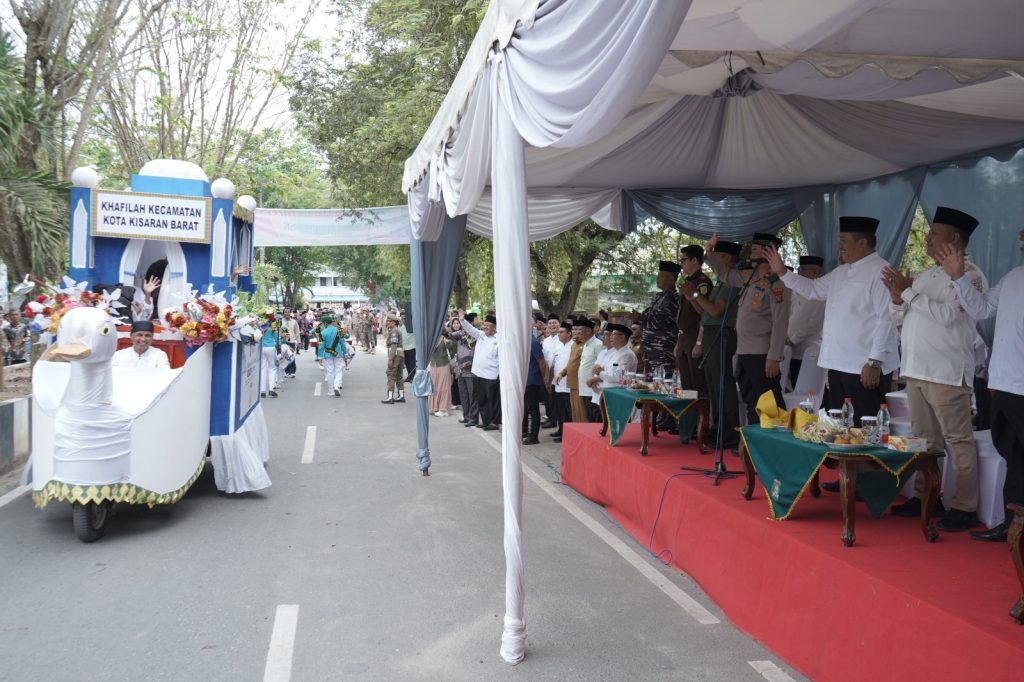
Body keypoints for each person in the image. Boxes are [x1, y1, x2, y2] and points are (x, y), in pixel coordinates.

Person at [883, 207, 986, 531]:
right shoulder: (927, 275)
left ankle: (965, 506)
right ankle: (925, 496)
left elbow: (948, 317)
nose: (928, 237)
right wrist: (898, 298)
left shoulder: (970, 276)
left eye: (935, 232)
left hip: (946, 373)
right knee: (923, 440)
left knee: (958, 441)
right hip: (916, 370)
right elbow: (903, 319)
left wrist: (909, 292)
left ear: (955, 238)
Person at [765, 216, 899, 421]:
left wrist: (875, 362)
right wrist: (782, 272)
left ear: (862, 242)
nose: (839, 245)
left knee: (866, 428)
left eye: (843, 240)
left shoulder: (881, 271)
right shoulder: (841, 272)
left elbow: (886, 319)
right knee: (840, 429)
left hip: (864, 367)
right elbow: (812, 289)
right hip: (838, 365)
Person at [938, 226, 1024, 542]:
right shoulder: (1014, 276)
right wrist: (959, 277)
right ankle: (1014, 523)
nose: (1022, 242)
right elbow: (982, 308)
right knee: (1012, 455)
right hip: (1004, 384)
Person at [704, 232, 791, 426]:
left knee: (769, 406)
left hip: (762, 354)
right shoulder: (748, 277)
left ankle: (775, 448)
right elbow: (725, 273)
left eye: (756, 248)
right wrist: (709, 252)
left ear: (768, 252)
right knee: (751, 401)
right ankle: (753, 444)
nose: (751, 251)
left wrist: (774, 356)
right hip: (743, 351)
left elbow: (780, 322)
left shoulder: (778, 283)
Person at [686, 240, 742, 450]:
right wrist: (691, 295)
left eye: (719, 257)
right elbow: (704, 312)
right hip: (710, 333)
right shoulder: (720, 282)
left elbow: (715, 311)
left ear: (727, 258)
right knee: (712, 385)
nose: (715, 262)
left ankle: (726, 433)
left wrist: (695, 293)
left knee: (722, 385)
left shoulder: (731, 282)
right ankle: (715, 428)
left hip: (722, 334)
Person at [675, 244, 712, 395]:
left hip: (696, 336)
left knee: (698, 384)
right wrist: (679, 341)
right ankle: (688, 418)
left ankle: (702, 417)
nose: (681, 263)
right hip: (684, 337)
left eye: (683, 260)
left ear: (695, 260)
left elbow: (705, 313)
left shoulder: (703, 283)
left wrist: (699, 342)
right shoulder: (687, 282)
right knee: (686, 385)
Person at [786, 255, 827, 389]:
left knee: (807, 390)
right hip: (789, 350)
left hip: (807, 353)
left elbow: (813, 324)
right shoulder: (795, 290)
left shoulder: (819, 294)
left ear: (814, 272)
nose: (798, 272)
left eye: (802, 269)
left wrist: (792, 340)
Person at [460, 311, 500, 431]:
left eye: (488, 326)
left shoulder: (499, 339)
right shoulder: (481, 335)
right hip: (478, 374)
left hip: (492, 375)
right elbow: (470, 329)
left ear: (494, 327)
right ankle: (486, 420)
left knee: (492, 401)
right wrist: (462, 320)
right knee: (481, 400)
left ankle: (494, 422)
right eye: (484, 325)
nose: (485, 327)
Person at [587, 323, 638, 415]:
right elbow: (606, 371)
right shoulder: (616, 353)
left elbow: (617, 377)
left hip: (619, 395)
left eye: (614, 334)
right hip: (609, 394)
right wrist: (599, 372)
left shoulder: (627, 354)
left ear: (622, 337)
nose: (611, 337)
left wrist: (600, 372)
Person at [641, 261, 680, 377]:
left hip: (663, 351)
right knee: (648, 385)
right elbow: (649, 319)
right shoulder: (658, 297)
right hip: (649, 350)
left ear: (672, 278)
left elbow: (672, 321)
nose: (657, 279)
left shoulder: (675, 298)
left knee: (662, 384)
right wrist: (639, 317)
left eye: (661, 276)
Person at [446, 315, 479, 426]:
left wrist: (468, 363)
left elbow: (477, 354)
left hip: (471, 370)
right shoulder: (460, 333)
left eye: (466, 324)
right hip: (460, 370)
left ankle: (473, 418)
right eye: (462, 324)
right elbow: (448, 335)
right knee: (463, 395)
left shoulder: (476, 335)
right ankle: (466, 416)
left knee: (472, 395)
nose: (463, 326)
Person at [574, 317, 604, 422]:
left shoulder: (598, 345)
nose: (577, 333)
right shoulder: (585, 344)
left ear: (588, 331)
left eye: (579, 330)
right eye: (576, 330)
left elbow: (601, 366)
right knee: (589, 416)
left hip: (592, 389)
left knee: (594, 418)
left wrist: (594, 380)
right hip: (584, 388)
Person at [549, 321, 574, 443]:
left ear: (569, 333)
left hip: (568, 385)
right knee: (560, 409)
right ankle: (560, 430)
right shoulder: (558, 346)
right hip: (557, 384)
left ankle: (567, 433)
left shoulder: (573, 346)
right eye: (558, 332)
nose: (559, 334)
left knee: (568, 411)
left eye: (561, 332)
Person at [522, 331, 548, 445]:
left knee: (533, 409)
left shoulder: (533, 342)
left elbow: (541, 362)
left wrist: (544, 379)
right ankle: (525, 431)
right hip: (524, 380)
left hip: (532, 380)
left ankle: (533, 435)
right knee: (525, 407)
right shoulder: (524, 341)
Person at [540, 314, 562, 428]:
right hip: (546, 372)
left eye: (555, 323)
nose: (552, 325)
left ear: (559, 325)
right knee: (547, 397)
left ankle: (555, 419)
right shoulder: (546, 340)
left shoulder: (562, 339)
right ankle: (550, 417)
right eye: (550, 323)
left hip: (558, 372)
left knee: (555, 398)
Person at [428, 334, 456, 416]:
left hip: (443, 364)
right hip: (433, 365)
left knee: (444, 387)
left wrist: (450, 342)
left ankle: (443, 409)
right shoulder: (430, 338)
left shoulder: (444, 339)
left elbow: (454, 348)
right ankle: (434, 407)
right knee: (434, 387)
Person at [319, 316, 345, 397]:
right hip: (338, 353)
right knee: (338, 370)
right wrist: (345, 352)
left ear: (325, 323)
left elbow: (320, 346)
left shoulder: (322, 333)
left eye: (323, 323)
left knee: (330, 372)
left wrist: (320, 357)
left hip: (328, 354)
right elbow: (342, 342)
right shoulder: (339, 330)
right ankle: (336, 386)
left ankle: (331, 391)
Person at [381, 318, 406, 404]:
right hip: (400, 354)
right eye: (387, 321)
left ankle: (390, 396)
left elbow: (394, 346)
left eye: (390, 321)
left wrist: (390, 359)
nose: (387, 323)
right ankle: (401, 395)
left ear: (394, 323)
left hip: (395, 355)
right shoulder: (395, 330)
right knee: (399, 375)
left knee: (390, 374)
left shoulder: (394, 332)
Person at [260, 315, 282, 398]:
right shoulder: (274, 325)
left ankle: (262, 390)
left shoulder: (260, 325)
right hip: (271, 347)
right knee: (272, 368)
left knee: (262, 368)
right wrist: (279, 351)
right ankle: (271, 389)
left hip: (262, 347)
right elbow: (277, 339)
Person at [281, 308, 301, 378]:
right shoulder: (280, 321)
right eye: (285, 312)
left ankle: (292, 371)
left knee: (292, 357)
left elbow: (297, 332)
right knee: (284, 357)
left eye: (288, 312)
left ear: (290, 313)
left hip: (292, 341)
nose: (287, 314)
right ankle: (286, 371)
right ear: (283, 313)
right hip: (283, 341)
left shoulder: (294, 322)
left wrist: (298, 342)